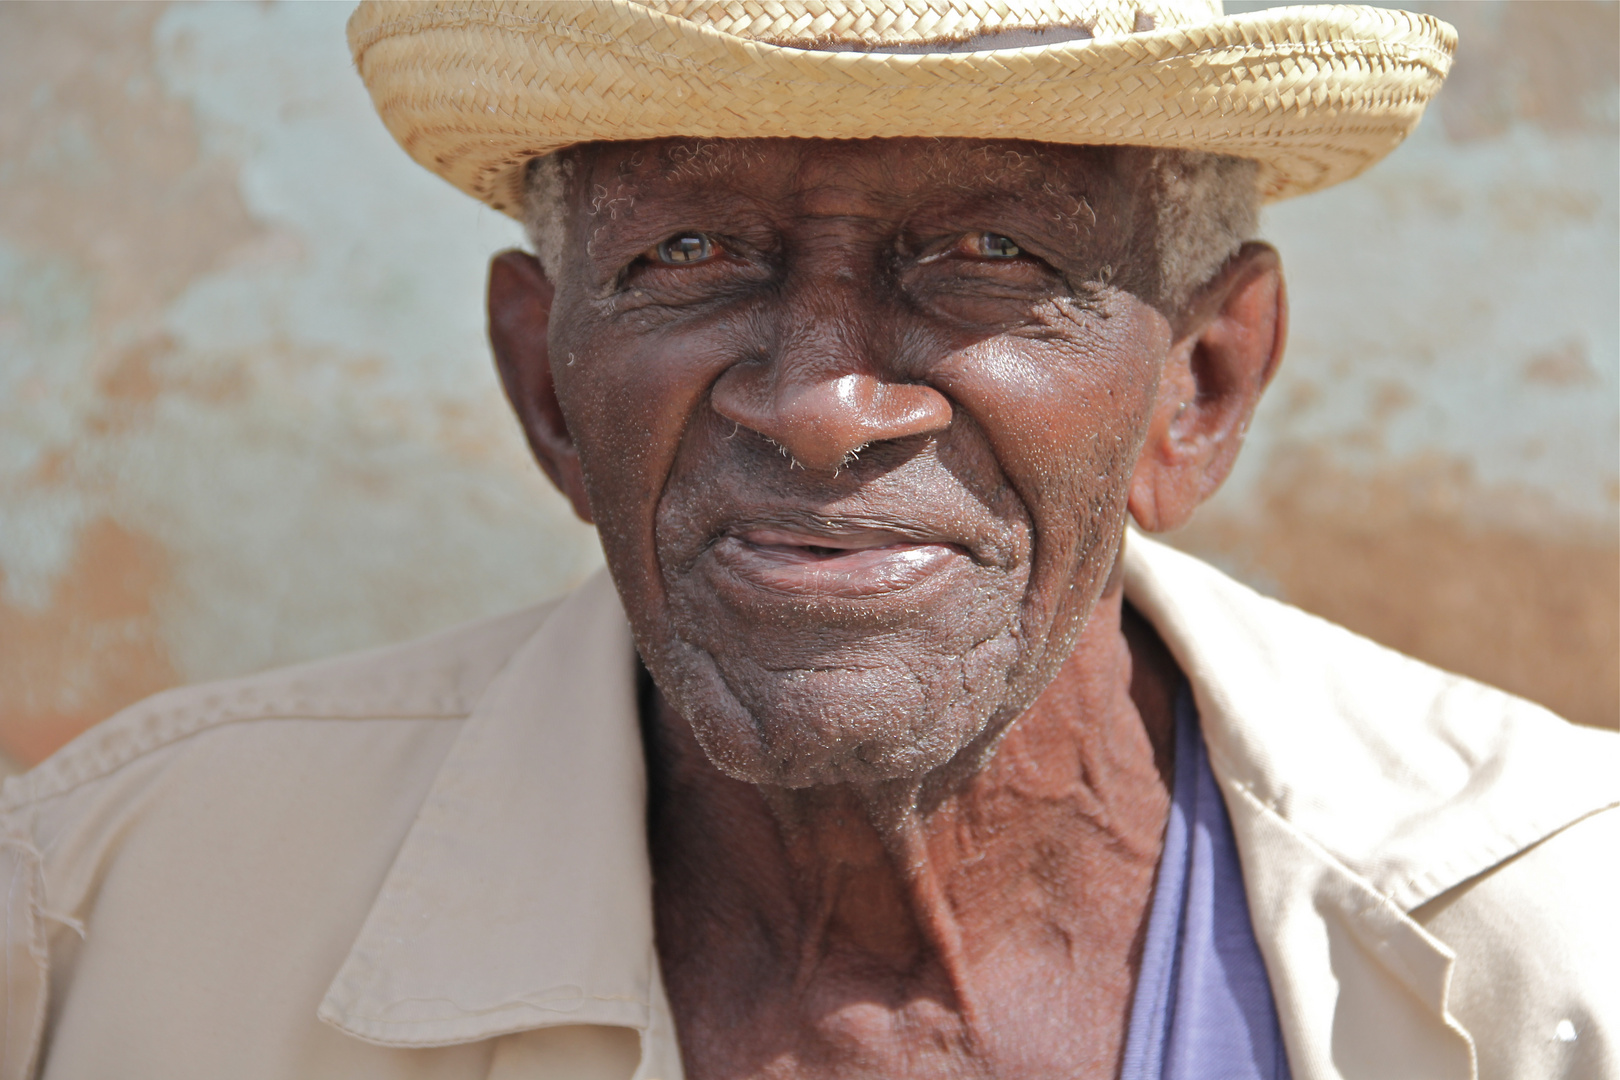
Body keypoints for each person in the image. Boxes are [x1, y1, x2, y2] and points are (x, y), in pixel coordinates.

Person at [1, 2, 1614, 1078]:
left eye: (990, 253)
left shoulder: (1557, 939)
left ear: (1200, 384)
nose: (824, 403)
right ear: (544, 386)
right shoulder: (109, 927)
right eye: (693, 252)